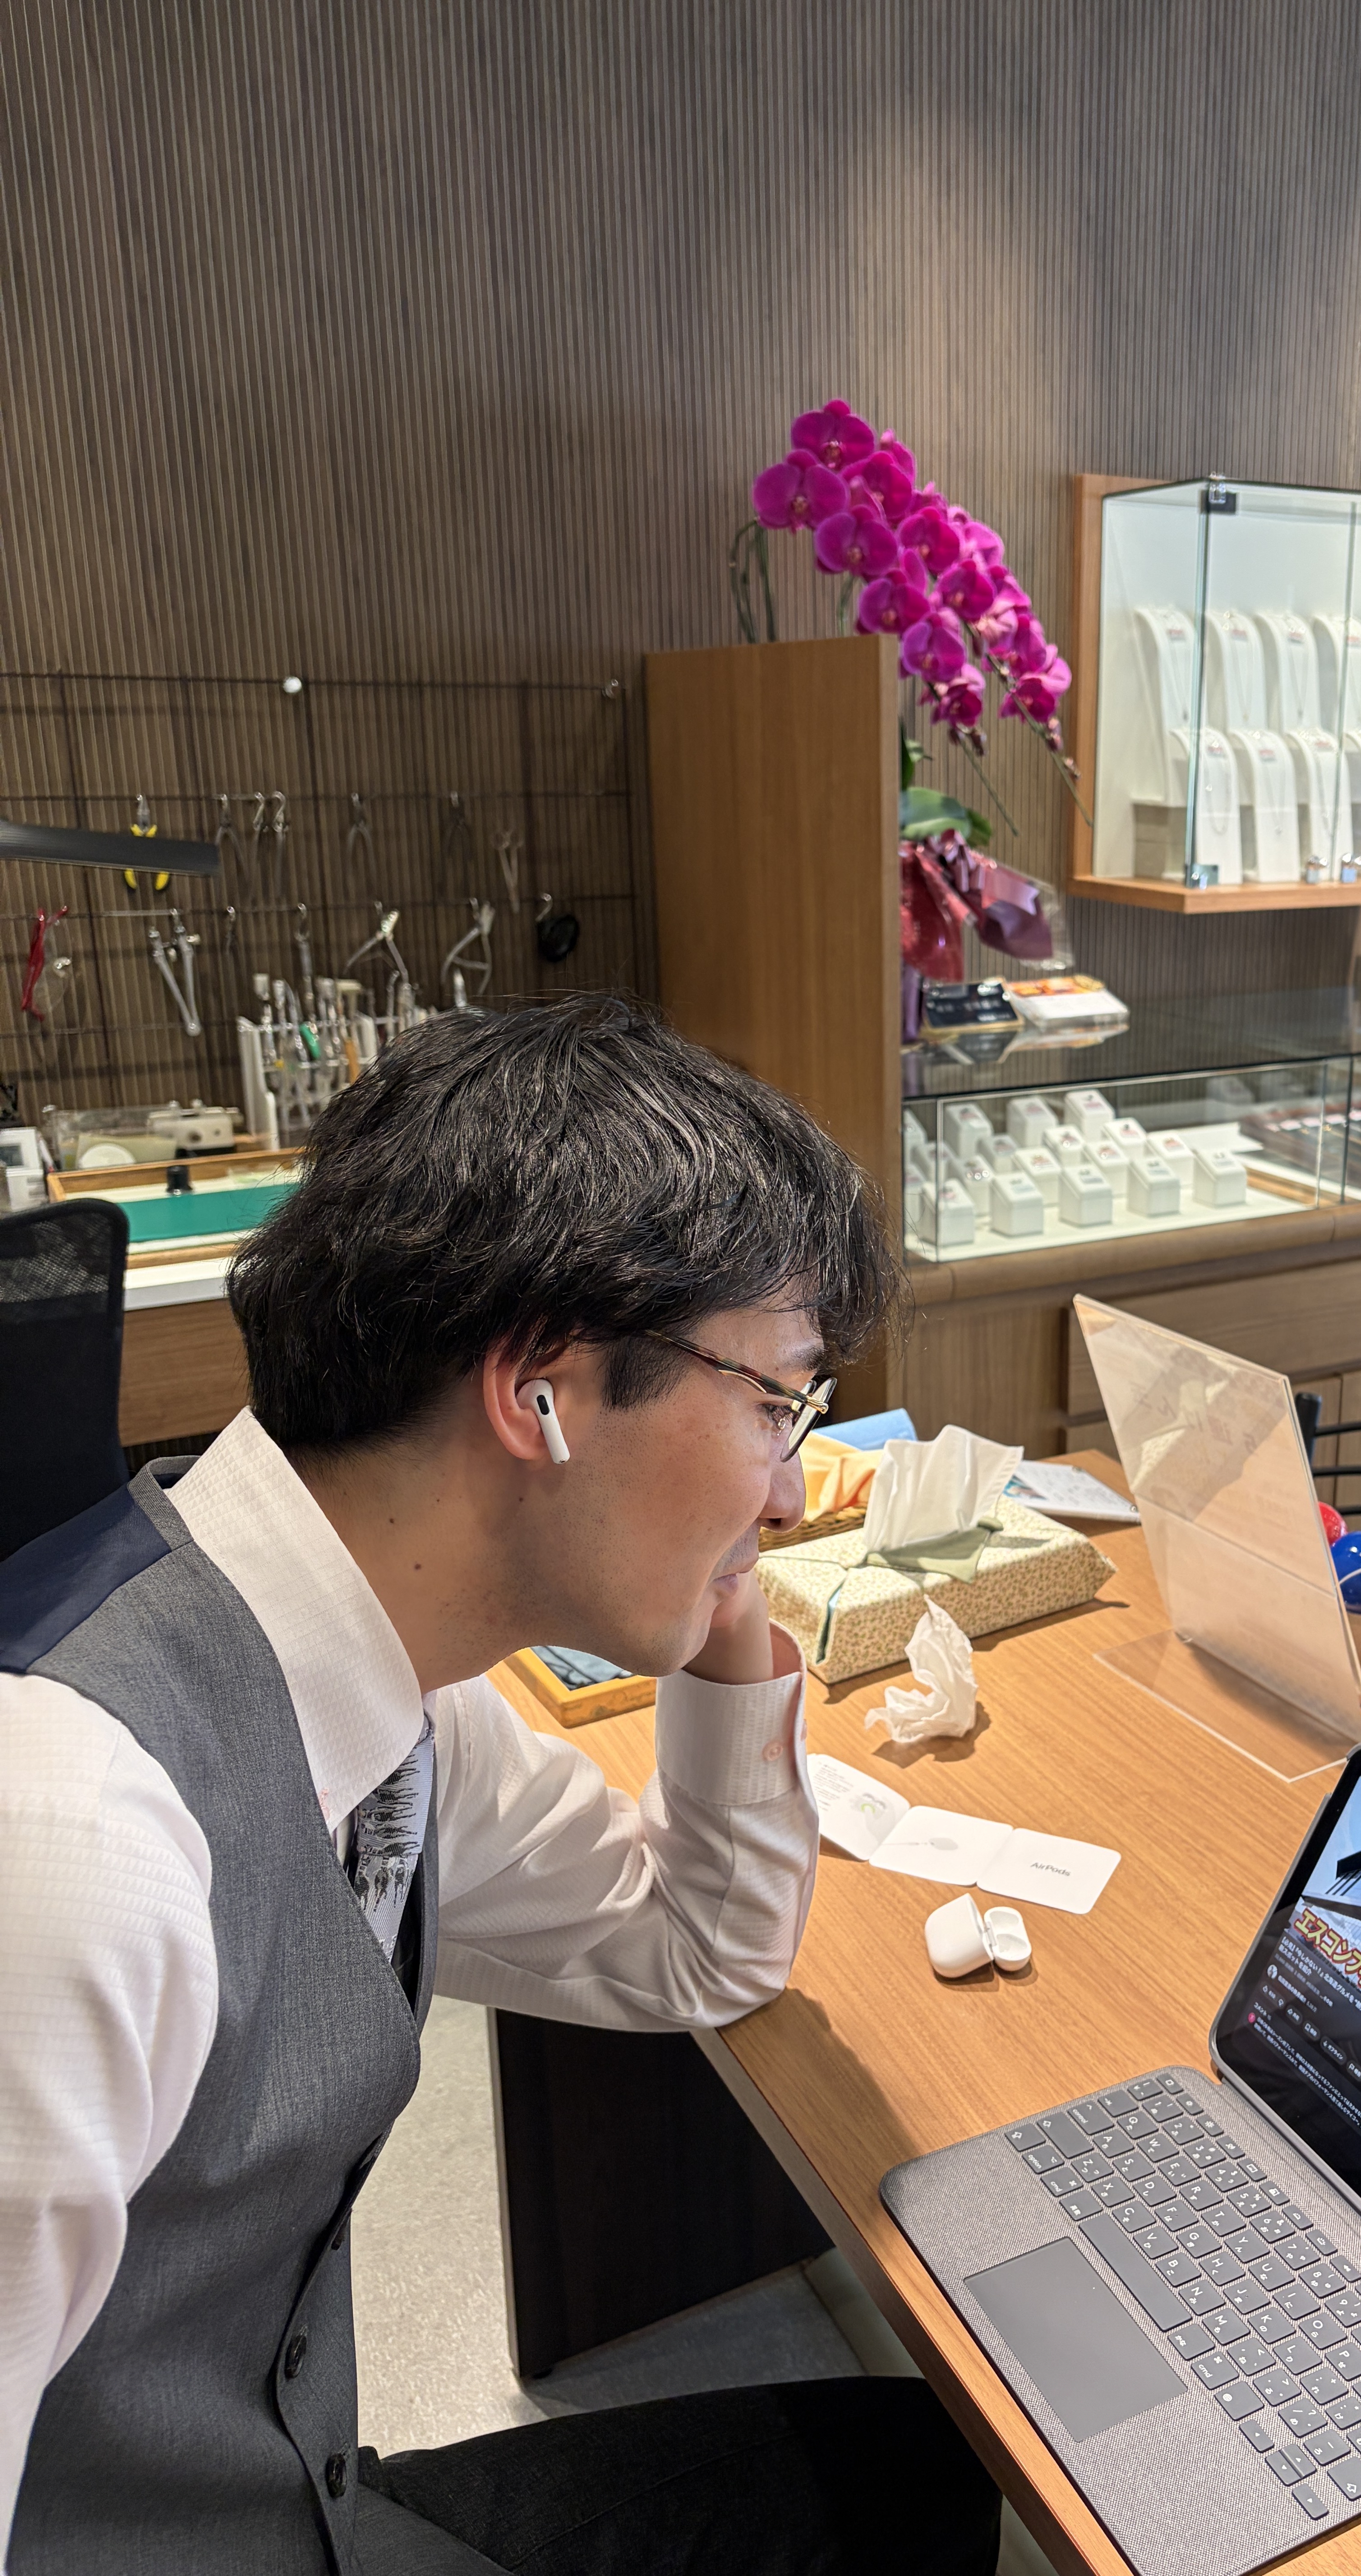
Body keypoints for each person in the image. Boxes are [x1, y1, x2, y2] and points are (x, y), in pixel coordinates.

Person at [0, 1001, 1001, 2576]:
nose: (797, 1486)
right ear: (539, 1389)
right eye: (778, 1402)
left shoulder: (383, 1676)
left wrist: (720, 1587)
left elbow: (698, 1947)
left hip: (295, 2497)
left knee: (916, 2471)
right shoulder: (76, 1846)